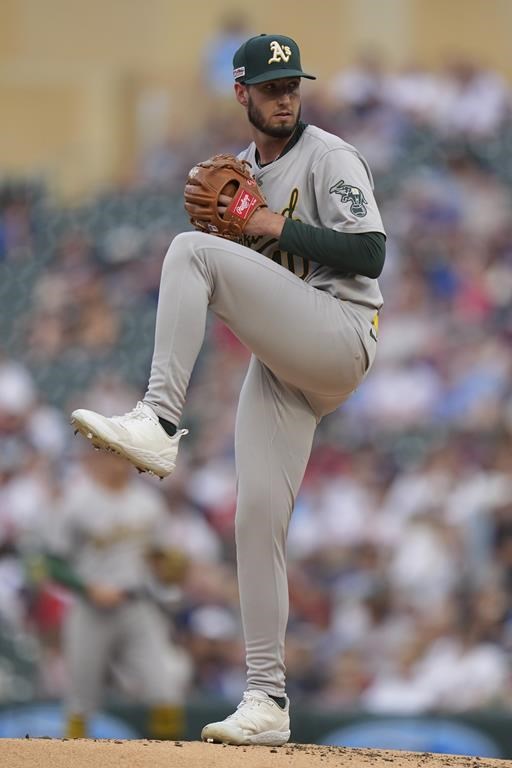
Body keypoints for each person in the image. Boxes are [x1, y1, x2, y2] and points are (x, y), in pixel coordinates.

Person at [71, 33, 386, 746]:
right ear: (241, 93)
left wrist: (271, 224)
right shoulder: (240, 170)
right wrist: (250, 235)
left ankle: (158, 417)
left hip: (341, 329)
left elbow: (371, 250)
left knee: (189, 252)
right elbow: (249, 280)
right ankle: (267, 698)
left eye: (292, 85)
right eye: (270, 87)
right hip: (288, 361)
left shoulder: (328, 155)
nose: (285, 97)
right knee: (256, 522)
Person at [41, 448, 191, 739]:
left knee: (166, 690)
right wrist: (87, 587)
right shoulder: (77, 502)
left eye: (124, 456)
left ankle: (172, 759)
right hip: (91, 608)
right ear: (95, 459)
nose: (119, 463)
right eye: (112, 456)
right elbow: (52, 563)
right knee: (81, 700)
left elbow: (160, 558)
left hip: (138, 605)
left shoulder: (148, 503)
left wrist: (169, 568)